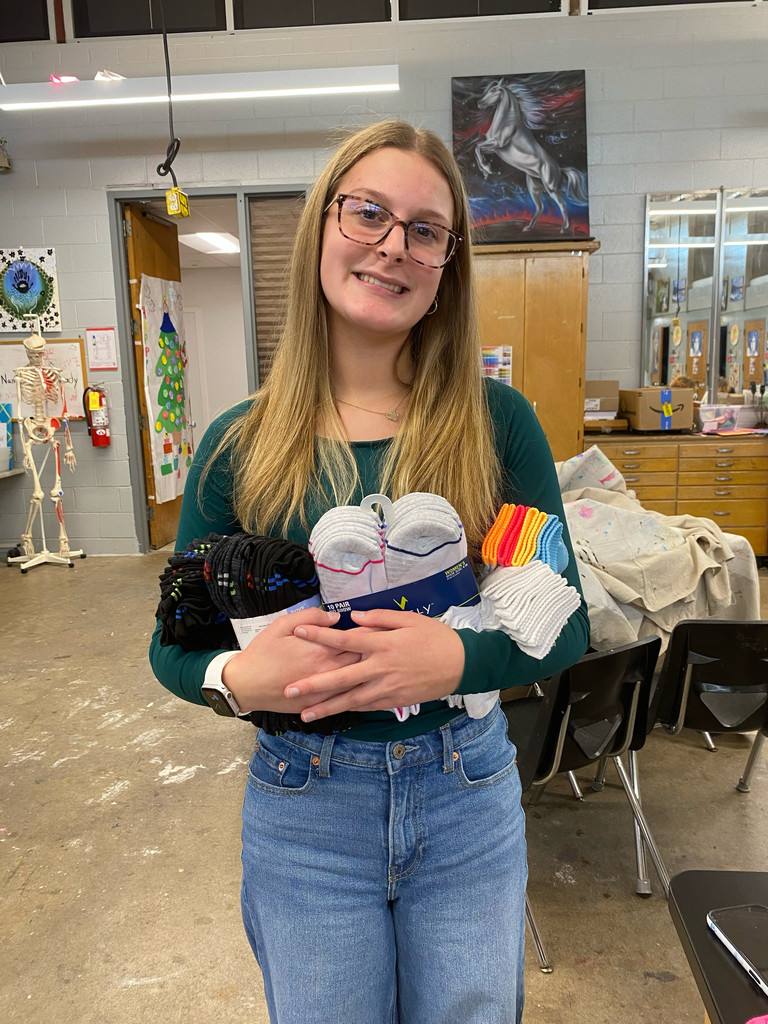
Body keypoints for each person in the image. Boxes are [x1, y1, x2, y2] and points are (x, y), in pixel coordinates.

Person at [149, 119, 590, 1024]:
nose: (393, 245)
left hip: (464, 793)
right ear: (323, 229)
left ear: (445, 269)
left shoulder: (495, 424)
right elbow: (173, 648)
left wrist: (459, 663)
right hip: (305, 807)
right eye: (369, 214)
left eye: (425, 230)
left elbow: (568, 622)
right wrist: (236, 677)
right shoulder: (238, 445)